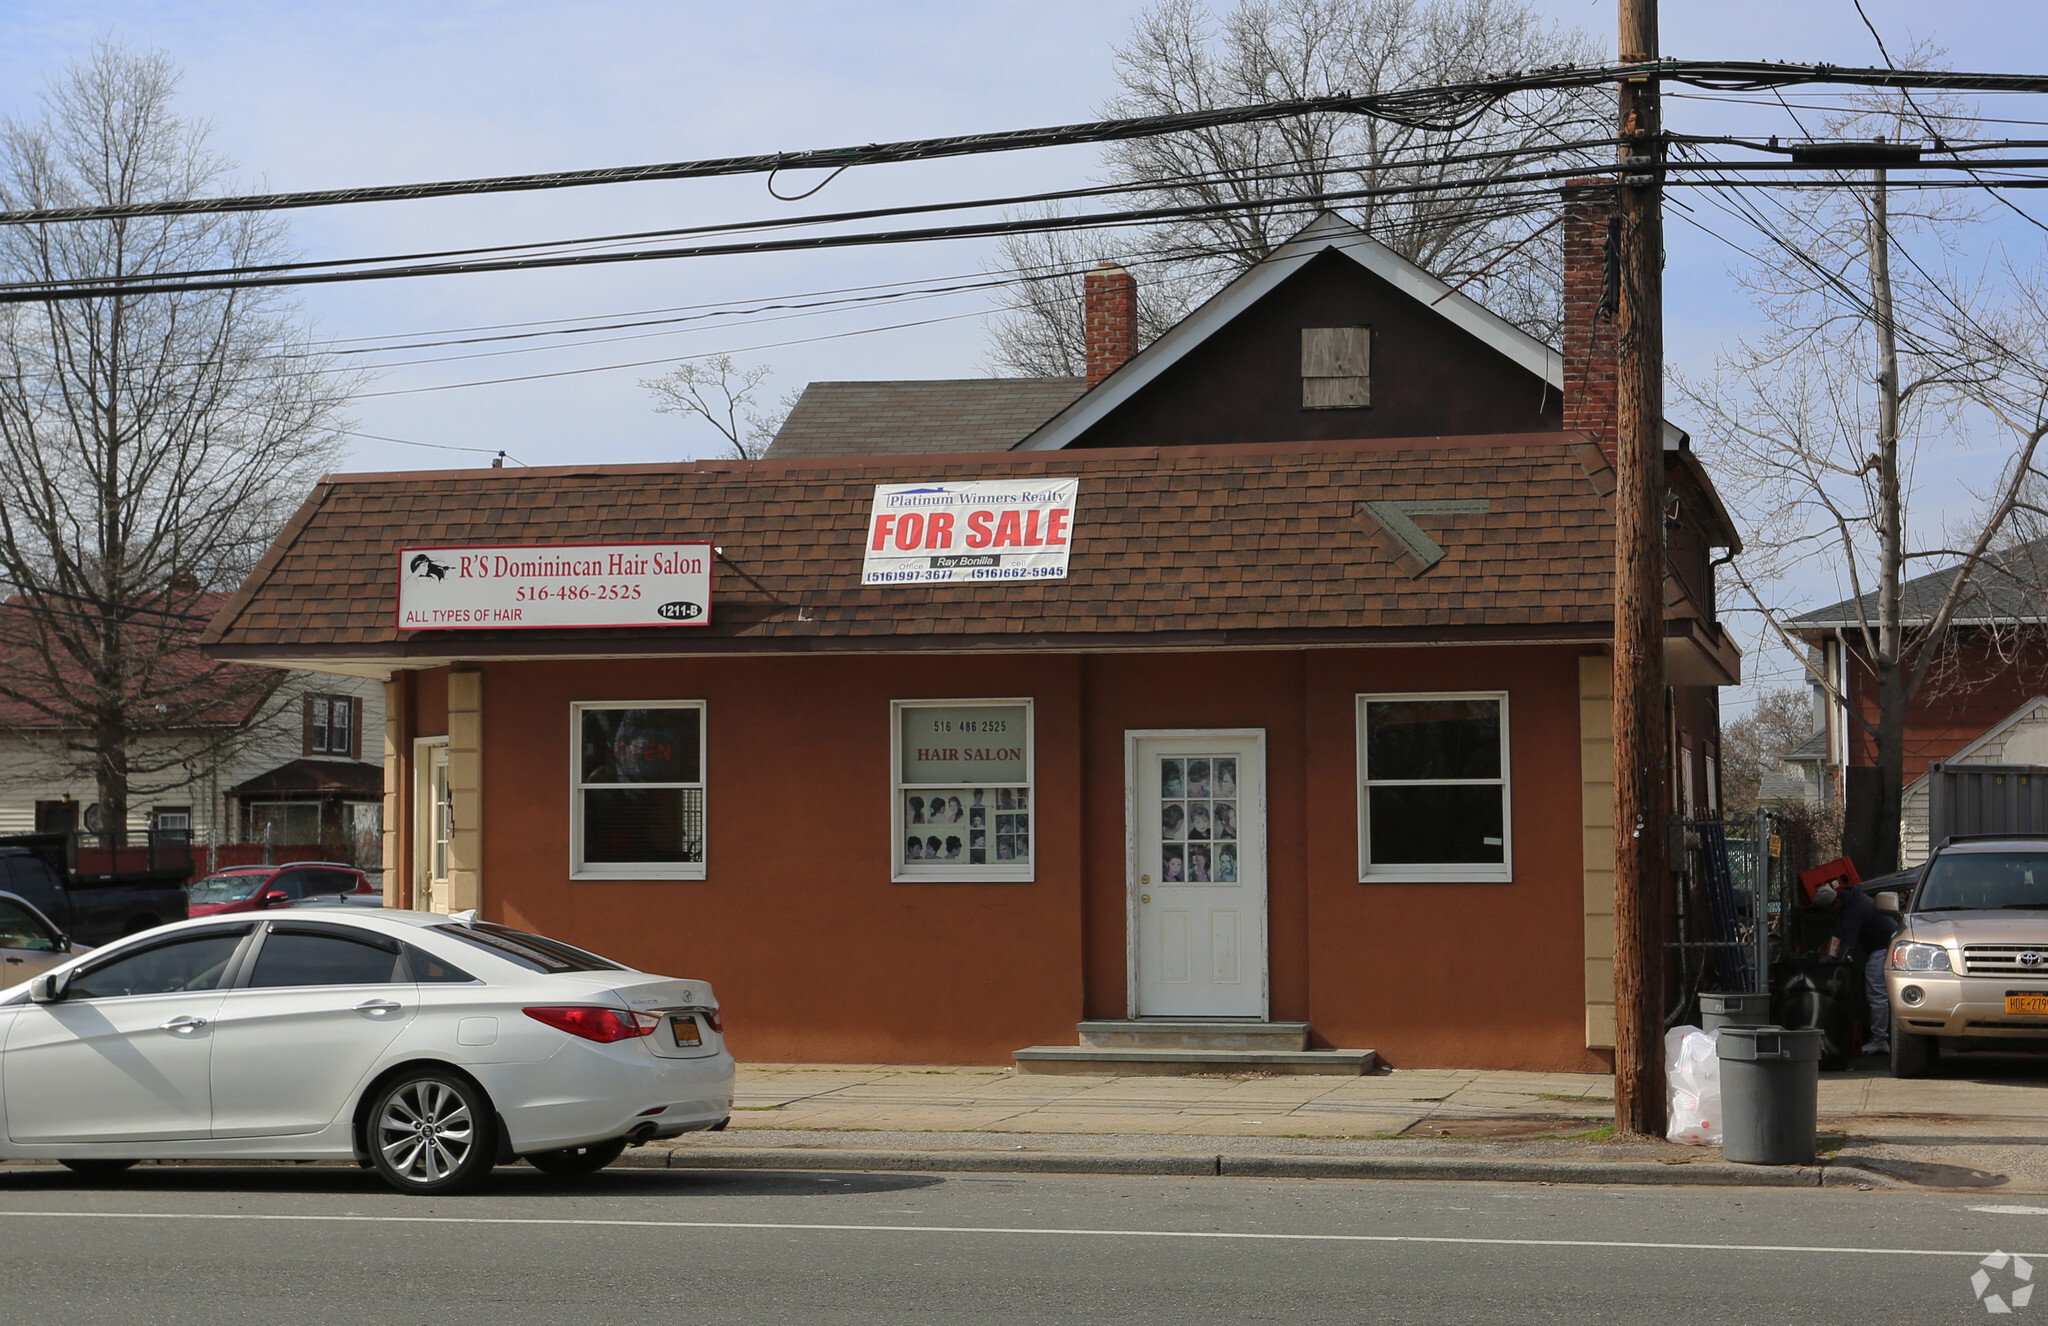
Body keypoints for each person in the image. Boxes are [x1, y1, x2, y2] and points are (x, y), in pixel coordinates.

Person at [1815, 882, 1902, 1055]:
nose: (1830, 915)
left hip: (1883, 948)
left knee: (1878, 996)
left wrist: (1836, 964)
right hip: (1890, 943)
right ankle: (1882, 1038)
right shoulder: (1853, 899)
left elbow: (1847, 944)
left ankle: (1879, 1040)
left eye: (1829, 910)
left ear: (1836, 903)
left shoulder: (1852, 911)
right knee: (1883, 996)